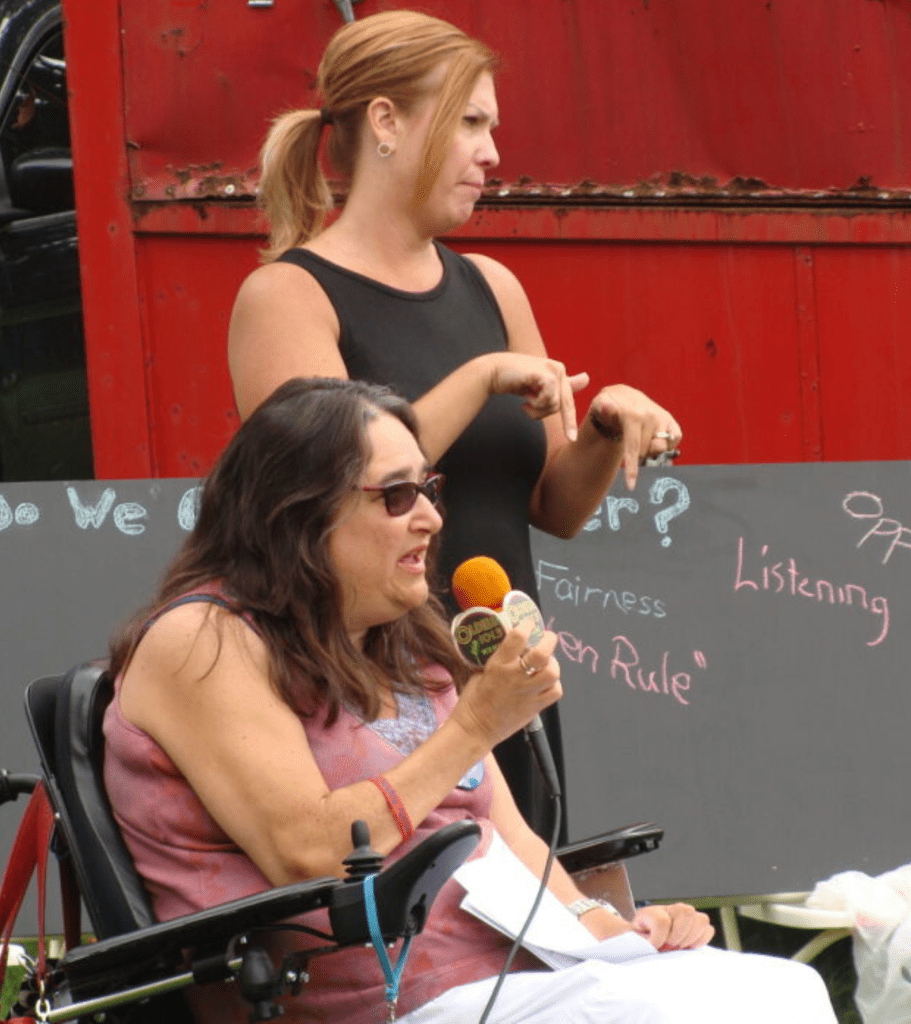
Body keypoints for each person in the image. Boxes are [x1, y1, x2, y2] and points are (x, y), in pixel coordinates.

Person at [103, 377, 837, 1024]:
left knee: (784, 989)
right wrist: (476, 722)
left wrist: (609, 926)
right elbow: (308, 851)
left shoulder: (398, 641)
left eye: (429, 490)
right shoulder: (202, 641)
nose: (429, 518)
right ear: (295, 515)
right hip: (383, 996)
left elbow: (511, 839)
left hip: (510, 974)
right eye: (396, 496)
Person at [227, 10, 683, 835]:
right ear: (387, 124)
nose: (493, 152)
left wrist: (606, 429)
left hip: (507, 676)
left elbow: (556, 509)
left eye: (492, 126)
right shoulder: (286, 296)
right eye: (470, 121)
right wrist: (476, 380)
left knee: (530, 930)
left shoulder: (495, 287)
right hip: (375, 699)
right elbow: (323, 492)